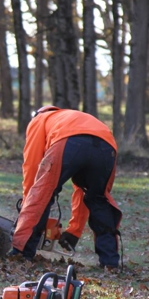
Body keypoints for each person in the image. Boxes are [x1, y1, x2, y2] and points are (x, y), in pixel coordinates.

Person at [8, 106, 122, 269]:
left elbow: (32, 167)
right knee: (98, 199)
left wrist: (28, 205)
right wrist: (74, 231)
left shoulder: (39, 120)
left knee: (42, 192)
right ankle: (110, 262)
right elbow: (81, 192)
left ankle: (21, 253)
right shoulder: (68, 117)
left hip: (69, 141)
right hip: (107, 146)